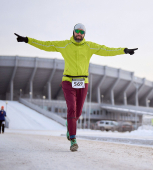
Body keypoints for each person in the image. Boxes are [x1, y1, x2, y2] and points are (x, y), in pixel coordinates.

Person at [14, 23, 138, 151]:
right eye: (77, 31)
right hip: (68, 81)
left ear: (84, 34)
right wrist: (27, 40)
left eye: (82, 32)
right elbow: (46, 45)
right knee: (72, 108)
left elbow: (107, 50)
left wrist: (124, 50)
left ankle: (70, 125)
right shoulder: (65, 45)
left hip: (83, 82)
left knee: (78, 112)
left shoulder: (89, 46)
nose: (79, 33)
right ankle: (73, 139)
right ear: (73, 32)